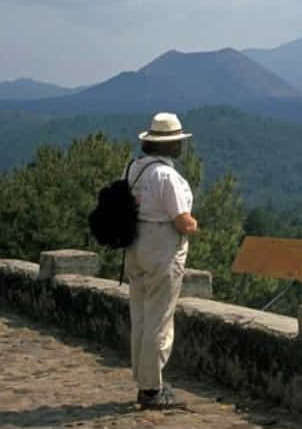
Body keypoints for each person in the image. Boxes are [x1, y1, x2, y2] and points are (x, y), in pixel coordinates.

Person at [126, 112, 198, 409]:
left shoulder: (134, 168)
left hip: (135, 244)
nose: (181, 146)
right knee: (160, 319)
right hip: (161, 247)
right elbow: (181, 220)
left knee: (141, 316)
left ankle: (144, 379)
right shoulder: (166, 176)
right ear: (169, 145)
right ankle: (151, 389)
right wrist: (194, 225)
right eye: (177, 141)